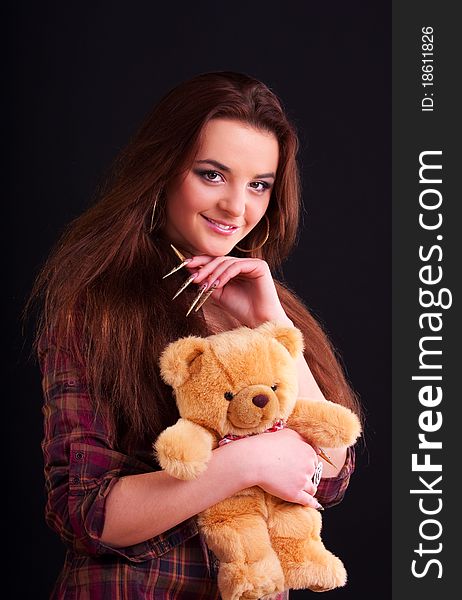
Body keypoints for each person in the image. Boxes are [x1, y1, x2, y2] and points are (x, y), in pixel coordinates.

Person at [27, 71, 361, 599]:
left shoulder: (260, 301)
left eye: (259, 185)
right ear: (163, 171)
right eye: (211, 175)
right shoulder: (97, 309)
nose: (236, 207)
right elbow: (83, 512)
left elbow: (330, 468)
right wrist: (243, 464)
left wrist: (274, 320)